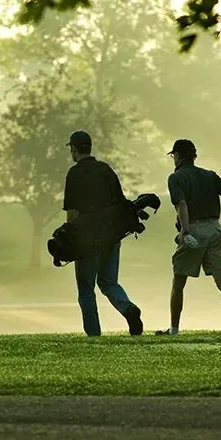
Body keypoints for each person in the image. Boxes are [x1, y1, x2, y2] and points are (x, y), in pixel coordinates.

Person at [156, 139, 221, 334]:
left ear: (178, 156)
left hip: (194, 231)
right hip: (215, 229)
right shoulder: (209, 175)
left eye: (174, 155)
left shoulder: (176, 178)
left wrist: (185, 231)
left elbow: (181, 205)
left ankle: (173, 330)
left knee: (178, 282)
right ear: (194, 156)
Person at [62, 130, 143, 337]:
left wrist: (68, 239)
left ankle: (94, 336)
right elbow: (120, 203)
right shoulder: (106, 170)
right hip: (112, 235)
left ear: (73, 149)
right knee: (108, 282)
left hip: (87, 239)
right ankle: (128, 309)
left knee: (86, 290)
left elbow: (72, 213)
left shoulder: (75, 174)